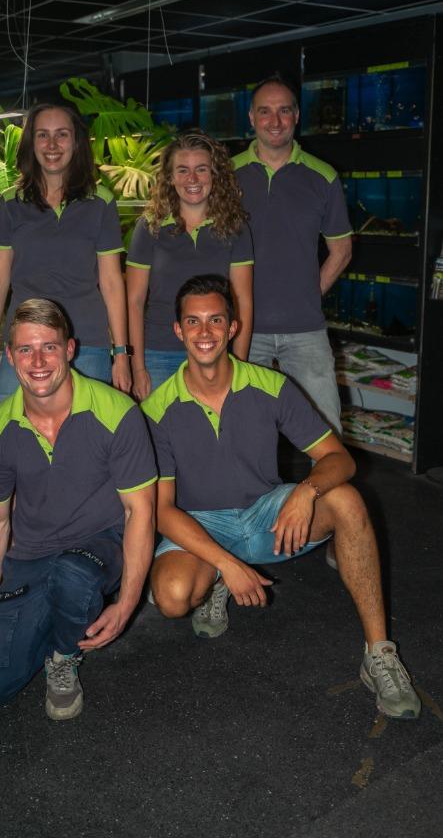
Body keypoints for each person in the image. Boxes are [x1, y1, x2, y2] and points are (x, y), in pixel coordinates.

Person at [142, 274, 420, 720]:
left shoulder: (271, 385)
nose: (205, 331)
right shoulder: (157, 410)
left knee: (347, 500)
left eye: (216, 320)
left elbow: (339, 459)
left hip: (265, 515)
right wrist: (229, 565)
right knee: (173, 597)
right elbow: (162, 510)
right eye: (193, 321)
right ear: (178, 330)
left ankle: (379, 654)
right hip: (202, 525)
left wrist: (306, 491)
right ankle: (216, 578)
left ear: (233, 327)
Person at [0, 298, 156, 719]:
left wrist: (127, 605)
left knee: (73, 575)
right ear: (10, 355)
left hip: (97, 544)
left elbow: (140, 513)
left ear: (70, 349)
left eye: (49, 347)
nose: (37, 362)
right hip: (33, 555)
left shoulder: (118, 413)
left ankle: (64, 655)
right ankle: (56, 620)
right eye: (25, 349)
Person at [0, 103, 131, 402]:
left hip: (87, 344)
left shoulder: (101, 202)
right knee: (13, 428)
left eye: (61, 134)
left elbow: (112, 283)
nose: (52, 144)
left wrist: (121, 353)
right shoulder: (10, 203)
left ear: (76, 142)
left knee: (87, 429)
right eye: (42, 135)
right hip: (24, 343)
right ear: (31, 142)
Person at [232, 73, 352, 433]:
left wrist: (308, 294)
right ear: (251, 117)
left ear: (297, 116)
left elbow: (341, 251)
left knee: (326, 430)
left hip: (305, 331)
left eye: (284, 111)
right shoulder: (227, 175)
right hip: (243, 329)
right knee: (243, 430)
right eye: (265, 111)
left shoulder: (323, 176)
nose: (275, 121)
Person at [127, 129, 253, 399]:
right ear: (170, 178)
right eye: (182, 170)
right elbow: (134, 302)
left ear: (215, 174)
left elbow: (243, 299)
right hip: (159, 354)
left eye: (201, 169)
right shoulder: (149, 227)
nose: (192, 179)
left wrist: (240, 365)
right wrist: (138, 368)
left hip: (216, 353)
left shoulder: (235, 227)